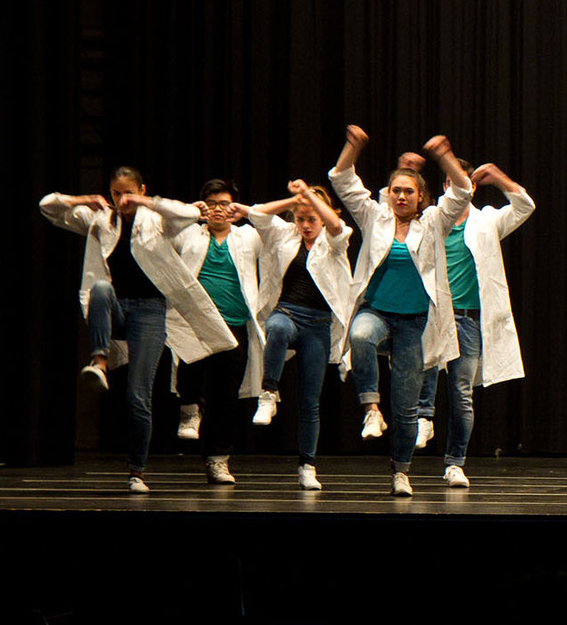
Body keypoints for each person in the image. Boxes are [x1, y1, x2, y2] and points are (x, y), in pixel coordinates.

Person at [41, 169, 238, 492]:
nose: (122, 200)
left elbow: (189, 214)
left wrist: (144, 202)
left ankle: (137, 471)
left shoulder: (156, 220)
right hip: (118, 307)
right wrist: (85, 199)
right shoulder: (100, 220)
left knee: (137, 395)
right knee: (100, 289)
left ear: (142, 190)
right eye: (116, 193)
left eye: (128, 193)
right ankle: (99, 361)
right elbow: (48, 206)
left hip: (150, 311)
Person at [330, 126, 473, 497]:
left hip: (415, 324)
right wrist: (354, 145)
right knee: (360, 335)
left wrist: (444, 156)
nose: (401, 196)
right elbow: (342, 178)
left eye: (409, 191)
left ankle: (401, 471)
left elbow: (462, 190)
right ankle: (370, 408)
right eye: (396, 190)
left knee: (407, 407)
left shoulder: (434, 222)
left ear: (421, 196)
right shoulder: (374, 217)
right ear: (388, 193)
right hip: (377, 312)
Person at [409, 159, 536, 489]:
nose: (456, 187)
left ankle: (454, 463)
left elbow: (525, 206)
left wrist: (499, 178)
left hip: (468, 320)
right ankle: (424, 417)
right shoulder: (431, 218)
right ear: (445, 187)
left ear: (473, 187)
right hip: (434, 314)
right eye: (450, 182)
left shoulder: (487, 221)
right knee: (421, 372)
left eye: (463, 182)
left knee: (461, 394)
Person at [248, 181, 353, 490]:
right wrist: (294, 201)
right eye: (300, 219)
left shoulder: (334, 241)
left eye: (312, 219)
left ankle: (307, 465)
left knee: (309, 400)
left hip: (318, 325)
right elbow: (257, 214)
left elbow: (337, 225)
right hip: (288, 312)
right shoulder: (285, 235)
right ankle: (269, 392)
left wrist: (309, 196)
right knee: (277, 328)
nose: (306, 225)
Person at [170, 179, 267, 485]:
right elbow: (162, 230)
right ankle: (190, 410)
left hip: (234, 324)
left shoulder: (247, 236)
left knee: (226, 396)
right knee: (191, 367)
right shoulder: (190, 234)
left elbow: (274, 226)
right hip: (196, 322)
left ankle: (218, 459)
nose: (218, 210)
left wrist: (246, 211)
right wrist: (190, 212)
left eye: (224, 204)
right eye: (212, 204)